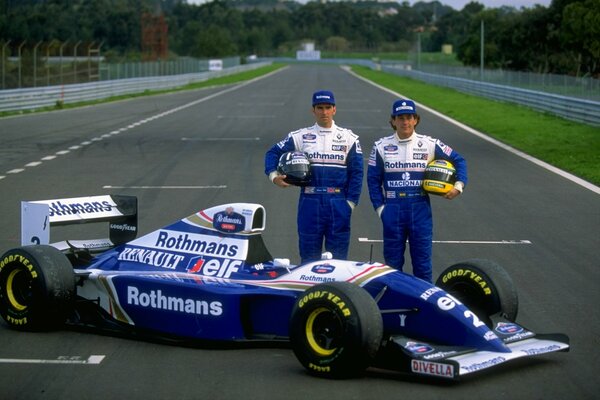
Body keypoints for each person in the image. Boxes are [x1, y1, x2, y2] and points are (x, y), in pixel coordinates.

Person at [367, 99, 467, 282]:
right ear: (393, 121)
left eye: (409, 117)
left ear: (416, 120)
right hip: (393, 209)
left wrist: (458, 186)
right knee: (392, 266)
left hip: (419, 207)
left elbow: (459, 160)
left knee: (422, 265)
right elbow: (373, 180)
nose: (405, 122)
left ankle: (423, 306)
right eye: (401, 118)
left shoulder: (429, 144)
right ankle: (394, 302)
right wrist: (381, 209)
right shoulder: (380, 146)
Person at [264, 90, 363, 264]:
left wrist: (350, 203)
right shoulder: (301, 136)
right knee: (308, 258)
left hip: (338, 202)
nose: (324, 112)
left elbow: (357, 172)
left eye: (327, 107)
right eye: (320, 108)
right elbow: (272, 152)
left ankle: (336, 291)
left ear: (334, 109)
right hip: (310, 201)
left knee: (339, 260)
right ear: (313, 110)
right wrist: (274, 176)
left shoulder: (349, 138)